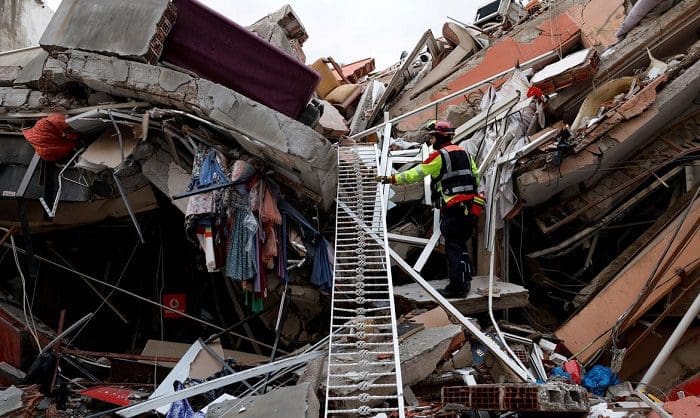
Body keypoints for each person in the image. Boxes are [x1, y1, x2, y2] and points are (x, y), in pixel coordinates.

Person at [376, 120, 484, 298]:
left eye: (433, 137)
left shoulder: (439, 157)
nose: (431, 141)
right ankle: (464, 281)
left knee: (453, 246)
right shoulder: (465, 153)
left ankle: (457, 288)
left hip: (454, 208)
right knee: (460, 244)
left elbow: (416, 173)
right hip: (470, 208)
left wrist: (392, 179)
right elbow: (476, 177)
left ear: (440, 137)